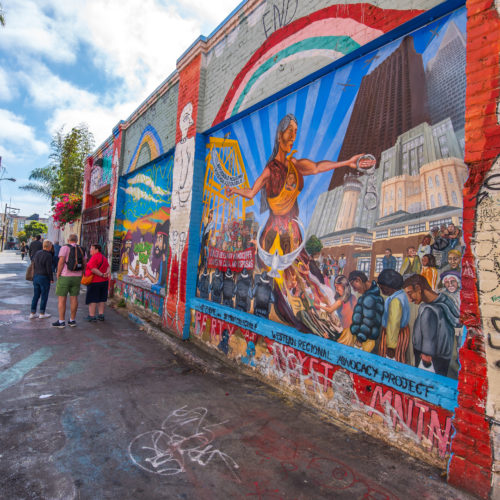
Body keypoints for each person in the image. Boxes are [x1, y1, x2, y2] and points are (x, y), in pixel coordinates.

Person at [226, 114, 374, 254]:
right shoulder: (270, 170)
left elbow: (317, 167)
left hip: (292, 228)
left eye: (295, 132)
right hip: (273, 228)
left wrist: (347, 162)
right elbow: (251, 192)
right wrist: (234, 191)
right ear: (279, 135)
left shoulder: (295, 164)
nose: (293, 137)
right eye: (290, 131)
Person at [403, 274, 460, 376]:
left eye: (410, 293)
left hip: (428, 361)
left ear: (418, 288)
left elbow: (429, 337)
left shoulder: (429, 310)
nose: (409, 299)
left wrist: (426, 353)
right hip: (440, 358)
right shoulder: (444, 302)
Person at [53, 234, 86, 328]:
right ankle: (72, 320)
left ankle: (61, 321)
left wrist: (58, 273)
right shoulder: (82, 249)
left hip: (65, 276)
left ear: (68, 240)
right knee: (74, 298)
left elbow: (61, 262)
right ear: (77, 240)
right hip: (77, 276)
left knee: (62, 299)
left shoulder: (64, 248)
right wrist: (82, 273)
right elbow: (84, 262)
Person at [377, 269, 410, 363]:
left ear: (390, 286)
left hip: (393, 335)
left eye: (382, 287)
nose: (381, 290)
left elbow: (393, 323)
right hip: (400, 333)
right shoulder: (401, 295)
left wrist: (391, 346)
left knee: (389, 360)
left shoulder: (395, 301)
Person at [84, 244, 110, 322]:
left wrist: (101, 274)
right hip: (104, 281)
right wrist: (106, 273)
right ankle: (101, 315)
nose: (90, 250)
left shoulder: (94, 257)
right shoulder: (104, 257)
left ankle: (92, 316)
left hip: (95, 281)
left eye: (92, 249)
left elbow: (93, 269)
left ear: (96, 250)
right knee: (102, 299)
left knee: (93, 299)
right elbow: (108, 266)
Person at [29, 240, 54, 319]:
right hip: (44, 277)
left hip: (36, 276)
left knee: (36, 295)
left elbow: (34, 263)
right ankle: (42, 313)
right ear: (49, 247)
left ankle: (32, 313)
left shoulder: (37, 253)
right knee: (44, 295)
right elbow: (48, 268)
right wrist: (51, 278)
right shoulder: (48, 255)